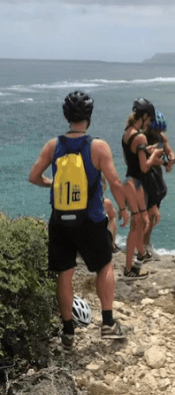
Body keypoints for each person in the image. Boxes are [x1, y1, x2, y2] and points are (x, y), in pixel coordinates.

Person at [28, 91, 131, 346]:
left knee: (65, 273)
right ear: (89, 117)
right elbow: (115, 181)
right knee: (104, 265)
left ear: (67, 116)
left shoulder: (53, 146)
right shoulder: (97, 146)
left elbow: (33, 176)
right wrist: (124, 208)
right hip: (90, 219)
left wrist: (52, 184)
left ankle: (67, 332)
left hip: (60, 220)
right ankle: (107, 323)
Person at [120, 98, 163, 280]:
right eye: (149, 119)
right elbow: (144, 167)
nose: (149, 123)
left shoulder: (128, 133)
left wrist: (148, 149)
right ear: (144, 117)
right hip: (138, 184)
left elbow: (132, 155)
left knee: (141, 223)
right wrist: (154, 156)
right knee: (137, 226)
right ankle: (130, 268)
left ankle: (139, 257)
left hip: (129, 180)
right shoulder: (140, 136)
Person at [142, 111, 175, 260]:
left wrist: (172, 158)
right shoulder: (143, 139)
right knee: (146, 215)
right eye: (154, 130)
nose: (157, 133)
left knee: (153, 214)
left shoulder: (161, 137)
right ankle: (140, 246)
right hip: (144, 178)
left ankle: (146, 244)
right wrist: (164, 162)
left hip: (156, 178)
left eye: (159, 131)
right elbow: (146, 159)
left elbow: (168, 150)